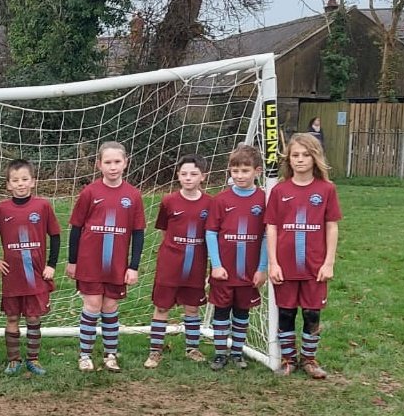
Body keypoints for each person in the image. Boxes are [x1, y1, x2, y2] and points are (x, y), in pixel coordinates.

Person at [266, 133, 342, 379]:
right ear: (288, 158)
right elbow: (272, 227)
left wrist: (329, 262)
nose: (300, 160)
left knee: (312, 313)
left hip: (315, 266)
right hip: (285, 267)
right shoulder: (280, 190)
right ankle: (288, 360)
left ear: (315, 158)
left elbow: (331, 226)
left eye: (306, 155)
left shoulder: (326, 190)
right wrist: (273, 263)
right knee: (286, 312)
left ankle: (309, 359)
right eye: (295, 155)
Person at [66, 141, 145, 372]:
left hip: (117, 265)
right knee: (92, 305)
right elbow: (76, 229)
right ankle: (85, 355)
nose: (113, 167)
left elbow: (138, 233)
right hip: (90, 263)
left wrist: (134, 266)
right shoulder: (90, 192)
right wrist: (72, 261)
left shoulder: (133, 195)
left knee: (110, 307)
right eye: (108, 162)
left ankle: (111, 354)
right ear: (99, 164)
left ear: (125, 163)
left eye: (117, 162)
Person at [0, 159, 61, 376]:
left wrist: (52, 265)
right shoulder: (0, 209)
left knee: (34, 318)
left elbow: (55, 236)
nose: (20, 184)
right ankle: (13, 360)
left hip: (36, 274)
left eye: (25, 179)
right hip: (13, 276)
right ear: (8, 185)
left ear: (33, 182)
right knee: (12, 318)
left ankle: (33, 359)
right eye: (15, 180)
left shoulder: (42, 206)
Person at [144, 154, 213, 369]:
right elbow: (165, 230)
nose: (188, 178)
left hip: (196, 264)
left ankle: (192, 347)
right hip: (170, 264)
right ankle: (155, 351)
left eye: (193, 174)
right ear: (178, 176)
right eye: (184, 174)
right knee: (162, 306)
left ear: (203, 176)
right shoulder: (169, 201)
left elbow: (212, 235)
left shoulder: (210, 204)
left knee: (192, 307)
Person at [205, 145, 268, 371]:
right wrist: (217, 264)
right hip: (224, 271)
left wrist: (262, 268)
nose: (239, 176)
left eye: (245, 170)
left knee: (242, 312)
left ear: (257, 171)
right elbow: (211, 233)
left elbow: (266, 237)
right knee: (221, 312)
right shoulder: (221, 200)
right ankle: (220, 353)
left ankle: (237, 353)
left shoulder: (264, 199)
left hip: (249, 272)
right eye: (235, 171)